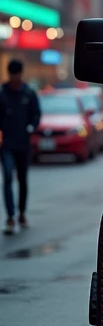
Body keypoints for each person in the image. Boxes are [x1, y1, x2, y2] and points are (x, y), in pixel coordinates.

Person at [0, 60, 41, 235]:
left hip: (23, 144)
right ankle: (10, 215)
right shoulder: (2, 94)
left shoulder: (28, 93)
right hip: (7, 144)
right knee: (8, 177)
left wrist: (32, 126)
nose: (15, 77)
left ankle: (21, 213)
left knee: (22, 180)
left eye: (17, 74)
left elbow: (36, 114)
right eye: (12, 74)